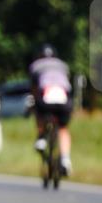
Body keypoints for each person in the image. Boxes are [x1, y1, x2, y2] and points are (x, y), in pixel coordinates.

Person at [29, 44, 73, 176]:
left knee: (37, 110)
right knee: (63, 129)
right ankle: (65, 159)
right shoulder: (63, 65)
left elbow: (34, 88)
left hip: (46, 99)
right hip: (64, 100)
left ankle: (41, 138)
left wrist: (31, 106)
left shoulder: (36, 65)